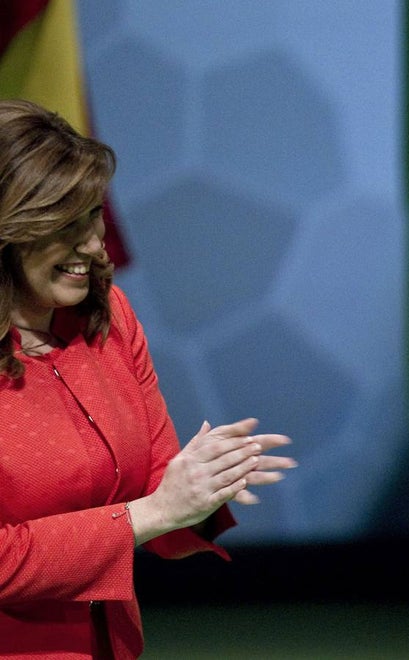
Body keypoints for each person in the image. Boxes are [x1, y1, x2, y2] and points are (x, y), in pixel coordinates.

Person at [0, 99, 297, 658]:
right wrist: (156, 511)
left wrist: (203, 488)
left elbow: (156, 493)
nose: (94, 244)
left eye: (93, 215)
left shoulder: (109, 316)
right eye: (66, 224)